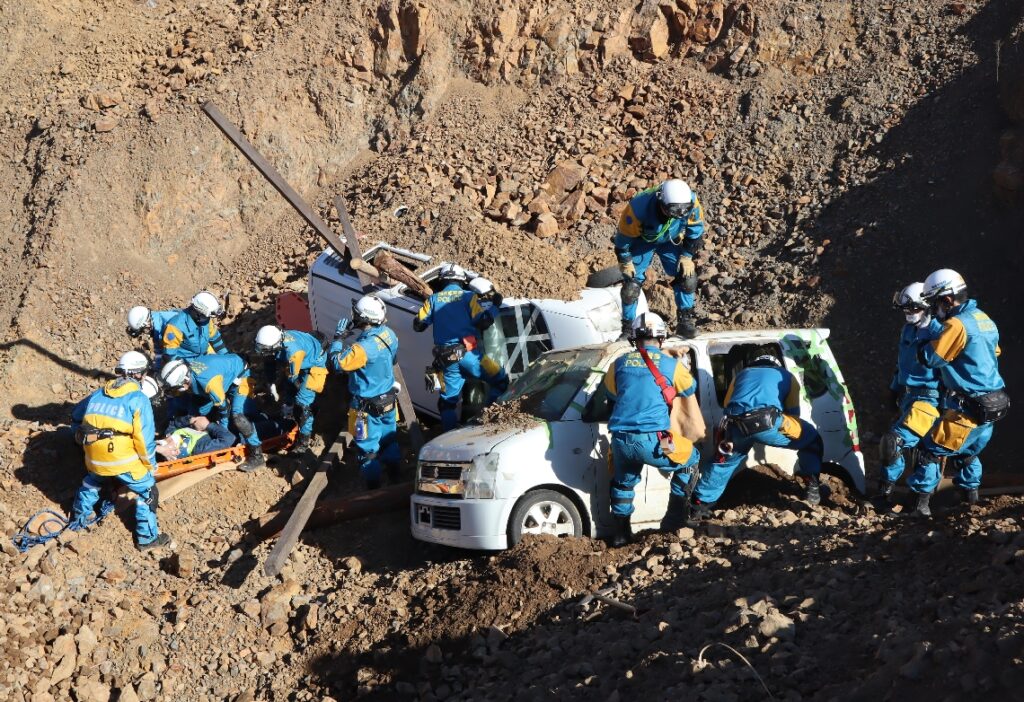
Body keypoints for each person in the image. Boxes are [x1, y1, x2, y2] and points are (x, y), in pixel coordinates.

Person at [909, 269, 1008, 516]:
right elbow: (994, 352)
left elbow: (930, 358)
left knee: (929, 452)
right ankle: (970, 503)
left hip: (968, 407)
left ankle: (919, 509)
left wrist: (925, 331)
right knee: (966, 453)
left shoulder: (956, 324)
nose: (935, 310)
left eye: (935, 303)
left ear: (947, 299)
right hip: (993, 403)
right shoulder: (983, 318)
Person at [603, 312, 701, 546]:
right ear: (661, 338)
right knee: (691, 459)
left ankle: (621, 535)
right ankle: (674, 521)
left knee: (623, 483)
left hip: (621, 441)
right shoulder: (671, 364)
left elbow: (612, 394)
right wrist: (676, 363)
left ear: (634, 339)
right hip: (656, 440)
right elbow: (690, 388)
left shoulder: (618, 364)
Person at [691, 346, 823, 518]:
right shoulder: (787, 376)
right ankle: (811, 486)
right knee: (812, 439)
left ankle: (699, 505)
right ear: (775, 365)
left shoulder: (741, 375)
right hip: (768, 423)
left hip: (736, 426)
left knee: (724, 462)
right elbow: (793, 414)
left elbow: (726, 403)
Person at [69, 351, 170, 551]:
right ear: (140, 374)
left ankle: (78, 520)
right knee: (148, 491)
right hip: (120, 459)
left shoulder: (99, 393)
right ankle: (147, 538)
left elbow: (76, 416)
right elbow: (144, 440)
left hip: (93, 457)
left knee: (93, 480)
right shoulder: (138, 398)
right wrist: (151, 465)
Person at [413, 264, 508, 431]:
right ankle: (485, 420)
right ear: (462, 281)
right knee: (501, 380)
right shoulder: (469, 297)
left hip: (446, 361)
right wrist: (495, 306)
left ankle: (449, 437)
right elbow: (483, 322)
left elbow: (418, 326)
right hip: (471, 357)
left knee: (447, 403)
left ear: (442, 281)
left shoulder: (433, 299)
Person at [613, 179, 706, 339]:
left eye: (683, 210)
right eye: (673, 210)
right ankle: (628, 330)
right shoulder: (638, 208)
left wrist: (687, 256)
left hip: (670, 238)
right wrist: (625, 260)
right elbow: (623, 239)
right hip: (642, 241)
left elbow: (696, 229)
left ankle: (685, 323)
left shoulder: (691, 202)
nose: (679, 214)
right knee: (631, 286)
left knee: (687, 277)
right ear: (661, 201)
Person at [876, 283, 942, 503]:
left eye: (914, 308)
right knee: (914, 447)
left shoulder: (939, 332)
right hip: (908, 395)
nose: (909, 312)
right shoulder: (908, 330)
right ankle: (894, 498)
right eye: (905, 308)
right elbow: (902, 364)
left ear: (928, 307)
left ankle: (918, 503)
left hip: (929, 398)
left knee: (897, 443)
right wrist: (893, 390)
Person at [327, 295, 401, 489]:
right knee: (389, 439)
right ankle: (395, 476)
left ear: (364, 318)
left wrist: (338, 339)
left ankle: (373, 489)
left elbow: (337, 364)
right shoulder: (389, 334)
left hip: (365, 408)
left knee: (367, 451)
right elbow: (393, 359)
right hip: (388, 400)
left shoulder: (362, 349)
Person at [159, 353, 265, 472]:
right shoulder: (190, 373)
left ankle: (257, 455)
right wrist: (193, 420)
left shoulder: (209, 383)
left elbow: (224, 410)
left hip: (240, 376)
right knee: (198, 410)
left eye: (176, 388)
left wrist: (220, 433)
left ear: (184, 382)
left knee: (238, 417)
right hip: (223, 374)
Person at [254, 325, 329, 454]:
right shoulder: (274, 340)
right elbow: (269, 361)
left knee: (302, 403)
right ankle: (288, 415)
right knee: (289, 388)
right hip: (301, 358)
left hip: (314, 364)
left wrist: (300, 390)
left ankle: (304, 441)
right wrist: (271, 382)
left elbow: (293, 376)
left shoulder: (293, 352)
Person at [161, 291, 229, 361]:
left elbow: (216, 339)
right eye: (207, 317)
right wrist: (187, 365)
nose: (209, 319)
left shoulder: (206, 320)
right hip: (185, 361)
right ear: (198, 314)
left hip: (204, 357)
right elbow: (169, 355)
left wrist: (226, 357)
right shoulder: (175, 326)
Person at [155, 416, 235, 461]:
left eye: (161, 442)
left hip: (198, 419)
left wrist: (190, 420)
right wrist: (208, 425)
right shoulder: (201, 448)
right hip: (218, 429)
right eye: (168, 444)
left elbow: (174, 423)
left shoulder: (170, 433)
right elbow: (228, 438)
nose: (168, 439)